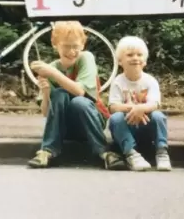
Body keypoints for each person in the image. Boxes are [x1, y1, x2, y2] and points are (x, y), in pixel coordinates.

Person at [27, 20, 125, 170]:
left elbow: (80, 91)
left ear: (82, 46)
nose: (71, 51)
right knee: (59, 94)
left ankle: (104, 152)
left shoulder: (86, 58)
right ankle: (47, 151)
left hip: (91, 120)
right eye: (66, 46)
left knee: (79, 101)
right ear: (55, 45)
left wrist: (54, 74)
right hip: (64, 127)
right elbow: (46, 112)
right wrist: (46, 93)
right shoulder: (51, 68)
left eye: (75, 47)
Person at [107, 36, 171, 171]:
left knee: (158, 116)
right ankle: (132, 154)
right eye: (129, 55)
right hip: (126, 127)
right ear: (120, 61)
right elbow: (113, 107)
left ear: (145, 61)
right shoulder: (118, 82)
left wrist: (141, 108)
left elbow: (155, 104)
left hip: (146, 126)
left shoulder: (150, 81)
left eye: (139, 55)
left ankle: (162, 152)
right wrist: (135, 109)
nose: (135, 58)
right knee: (115, 118)